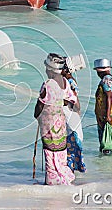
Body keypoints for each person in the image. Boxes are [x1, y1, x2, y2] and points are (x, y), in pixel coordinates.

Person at [34, 53, 75, 185]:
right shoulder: (65, 82)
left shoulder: (47, 84)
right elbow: (69, 101)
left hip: (48, 126)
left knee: (50, 155)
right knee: (60, 153)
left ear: (50, 69)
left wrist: (36, 115)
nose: (45, 70)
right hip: (61, 124)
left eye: (46, 67)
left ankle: (52, 183)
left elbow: (40, 105)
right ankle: (63, 177)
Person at [62, 57, 86, 173]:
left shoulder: (69, 82)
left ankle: (69, 170)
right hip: (71, 114)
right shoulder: (69, 80)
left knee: (70, 143)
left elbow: (74, 100)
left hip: (69, 114)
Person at [94, 58, 112, 153]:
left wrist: (108, 115)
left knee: (106, 140)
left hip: (106, 115)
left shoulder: (106, 79)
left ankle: (105, 164)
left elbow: (109, 96)